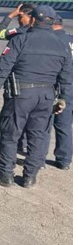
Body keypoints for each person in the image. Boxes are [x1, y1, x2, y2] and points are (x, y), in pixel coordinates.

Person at [0, 6, 72, 188]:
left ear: (32, 20)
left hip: (21, 95)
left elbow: (4, 67)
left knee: (10, 134)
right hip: (47, 96)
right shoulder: (62, 44)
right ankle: (30, 177)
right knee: (37, 136)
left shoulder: (21, 39)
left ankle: (5, 174)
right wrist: (62, 98)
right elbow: (66, 75)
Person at [51, 14, 73, 170]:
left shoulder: (52, 41)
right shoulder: (72, 38)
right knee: (66, 125)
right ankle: (64, 159)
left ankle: (37, 156)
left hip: (60, 86)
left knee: (50, 123)